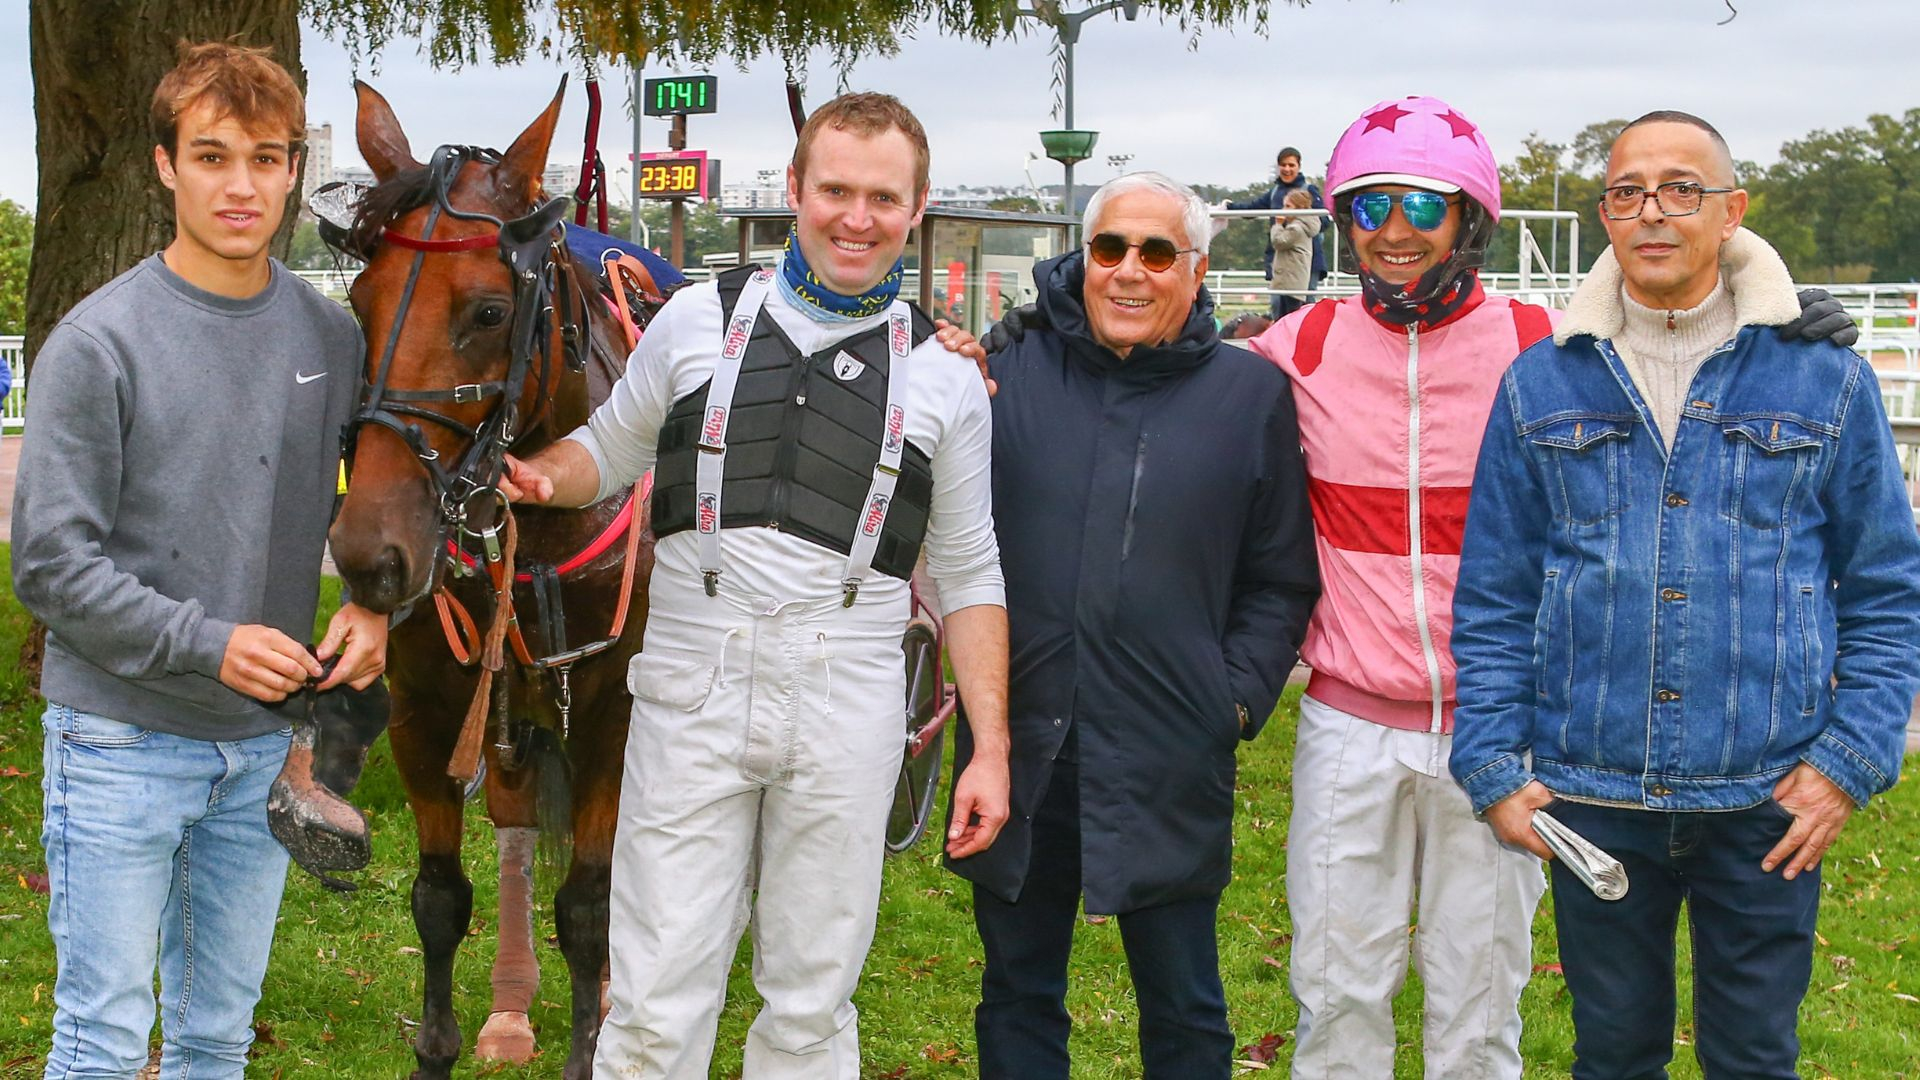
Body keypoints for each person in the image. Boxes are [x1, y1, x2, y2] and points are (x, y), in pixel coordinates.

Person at [1238, 97, 1858, 1079]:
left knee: (1480, 1001)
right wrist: (1004, 344)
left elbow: (1679, 340)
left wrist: (1785, 316)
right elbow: (1152, 369)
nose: (1393, 233)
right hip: (1349, 730)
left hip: (1510, 733)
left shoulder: (1550, 343)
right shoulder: (1297, 346)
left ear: (1469, 220)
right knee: (1334, 989)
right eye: (1367, 209)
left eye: (1420, 206)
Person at [496, 91, 1012, 1079]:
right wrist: (538, 474)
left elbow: (970, 570)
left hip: (848, 686)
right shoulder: (696, 317)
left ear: (918, 205)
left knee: (812, 1005)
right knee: (650, 1005)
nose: (855, 218)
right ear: (795, 189)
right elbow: (606, 449)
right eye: (835, 191)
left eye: (881, 197)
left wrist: (992, 746)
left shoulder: (946, 376)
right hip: (696, 675)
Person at [1450, 110, 1920, 1079]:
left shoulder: (1824, 378)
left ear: (1731, 210)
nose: (1652, 213)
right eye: (1627, 192)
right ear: (1607, 215)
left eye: (1680, 189)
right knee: (1613, 1055)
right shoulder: (1541, 384)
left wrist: (1851, 759)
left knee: (1754, 1057)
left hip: (1767, 796)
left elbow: (1885, 589)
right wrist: (1493, 760)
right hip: (1591, 793)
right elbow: (1496, 590)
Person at [10, 41, 385, 1080]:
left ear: (294, 171)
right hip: (119, 740)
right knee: (101, 1039)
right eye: (212, 156)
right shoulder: (98, 344)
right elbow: (48, 564)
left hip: (262, 746)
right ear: (165, 167)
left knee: (217, 1038)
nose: (241, 185)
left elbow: (382, 497)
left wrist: (374, 602)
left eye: (267, 159)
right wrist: (209, 644)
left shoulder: (331, 336)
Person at [950, 170, 1320, 1079]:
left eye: (1156, 253)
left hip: (1170, 747)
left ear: (1194, 269)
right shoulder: (1003, 376)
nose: (1129, 271)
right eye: (1110, 248)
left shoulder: (1249, 397)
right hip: (1025, 744)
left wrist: (1228, 702)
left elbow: (1281, 581)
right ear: (1083, 259)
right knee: (1017, 995)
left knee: (1186, 1007)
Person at [1227, 146, 1327, 316]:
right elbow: (1253, 208)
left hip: (1305, 261)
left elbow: (1322, 220)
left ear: (1298, 166)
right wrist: (1229, 208)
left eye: (1291, 165)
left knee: (1304, 309)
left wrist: (1294, 223)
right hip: (1280, 257)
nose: (1287, 169)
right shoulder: (1274, 193)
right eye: (1283, 165)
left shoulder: (1309, 191)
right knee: (1277, 305)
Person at [1268, 187, 1320, 318]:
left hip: (1290, 282)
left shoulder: (1296, 228)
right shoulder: (1303, 226)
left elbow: (1278, 242)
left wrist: (1278, 225)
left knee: (1286, 317)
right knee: (1291, 315)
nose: (1283, 210)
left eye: (1288, 206)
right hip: (1293, 280)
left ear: (1299, 208)